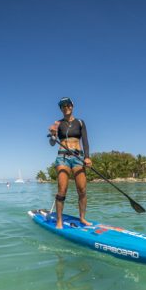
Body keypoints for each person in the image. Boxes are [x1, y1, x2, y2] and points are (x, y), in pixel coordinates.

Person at [48, 97, 92, 229]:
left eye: (68, 105)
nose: (66, 107)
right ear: (61, 109)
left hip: (78, 157)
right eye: (63, 106)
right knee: (62, 190)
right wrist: (52, 134)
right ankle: (59, 221)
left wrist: (87, 157)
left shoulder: (80, 122)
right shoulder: (57, 123)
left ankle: (82, 218)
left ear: (72, 106)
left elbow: (85, 141)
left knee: (82, 190)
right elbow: (51, 143)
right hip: (62, 157)